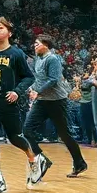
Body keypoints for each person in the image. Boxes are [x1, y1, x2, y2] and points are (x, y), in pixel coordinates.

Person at [0, 17, 45, 193]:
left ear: (10, 33)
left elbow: (28, 77)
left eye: (0, 28)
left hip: (9, 103)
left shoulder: (16, 54)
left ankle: (34, 159)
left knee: (15, 138)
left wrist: (17, 91)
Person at [24, 34, 88, 178]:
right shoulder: (38, 60)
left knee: (65, 135)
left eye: (37, 43)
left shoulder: (52, 59)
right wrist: (32, 89)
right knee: (27, 129)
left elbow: (53, 80)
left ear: (46, 45)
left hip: (57, 102)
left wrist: (37, 91)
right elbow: (39, 79)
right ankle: (42, 160)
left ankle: (79, 163)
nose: (34, 46)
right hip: (42, 101)